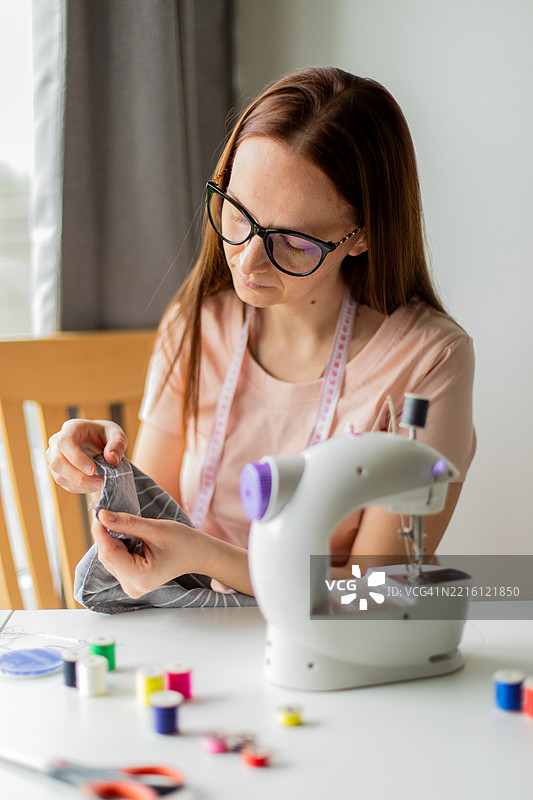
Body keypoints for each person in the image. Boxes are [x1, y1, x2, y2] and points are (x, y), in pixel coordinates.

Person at [46, 66, 475, 602]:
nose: (248, 260)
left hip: (333, 646)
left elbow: (373, 592)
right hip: (191, 636)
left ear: (362, 237)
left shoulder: (429, 361)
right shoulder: (200, 323)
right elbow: (143, 542)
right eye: (238, 212)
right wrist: (106, 473)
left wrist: (202, 556)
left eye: (293, 241)